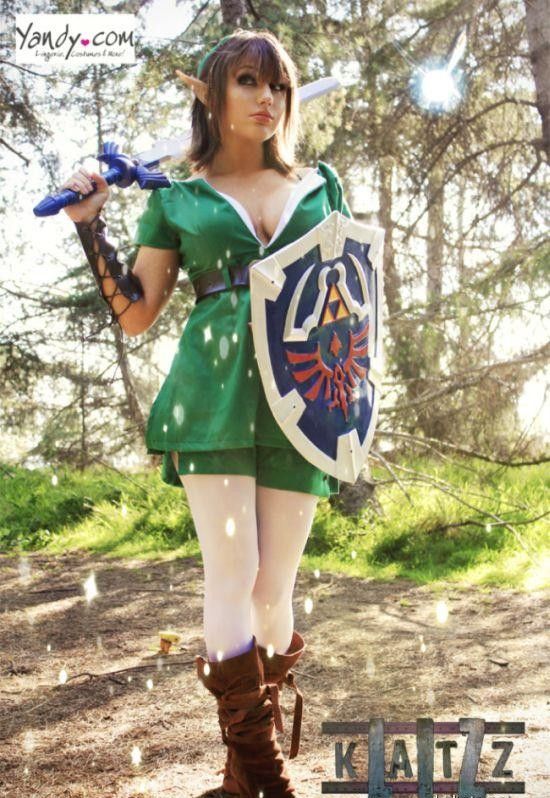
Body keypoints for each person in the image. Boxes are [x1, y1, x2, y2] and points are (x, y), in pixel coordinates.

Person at [62, 28, 353, 798]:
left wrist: (347, 400)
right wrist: (91, 225)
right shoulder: (178, 199)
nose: (267, 99)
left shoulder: (321, 187)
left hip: (303, 395)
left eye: (278, 85)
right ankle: (266, 774)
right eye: (249, 82)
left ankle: (239, 775)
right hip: (211, 396)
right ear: (213, 93)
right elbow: (137, 314)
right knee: (235, 574)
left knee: (274, 590)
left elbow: (349, 303)